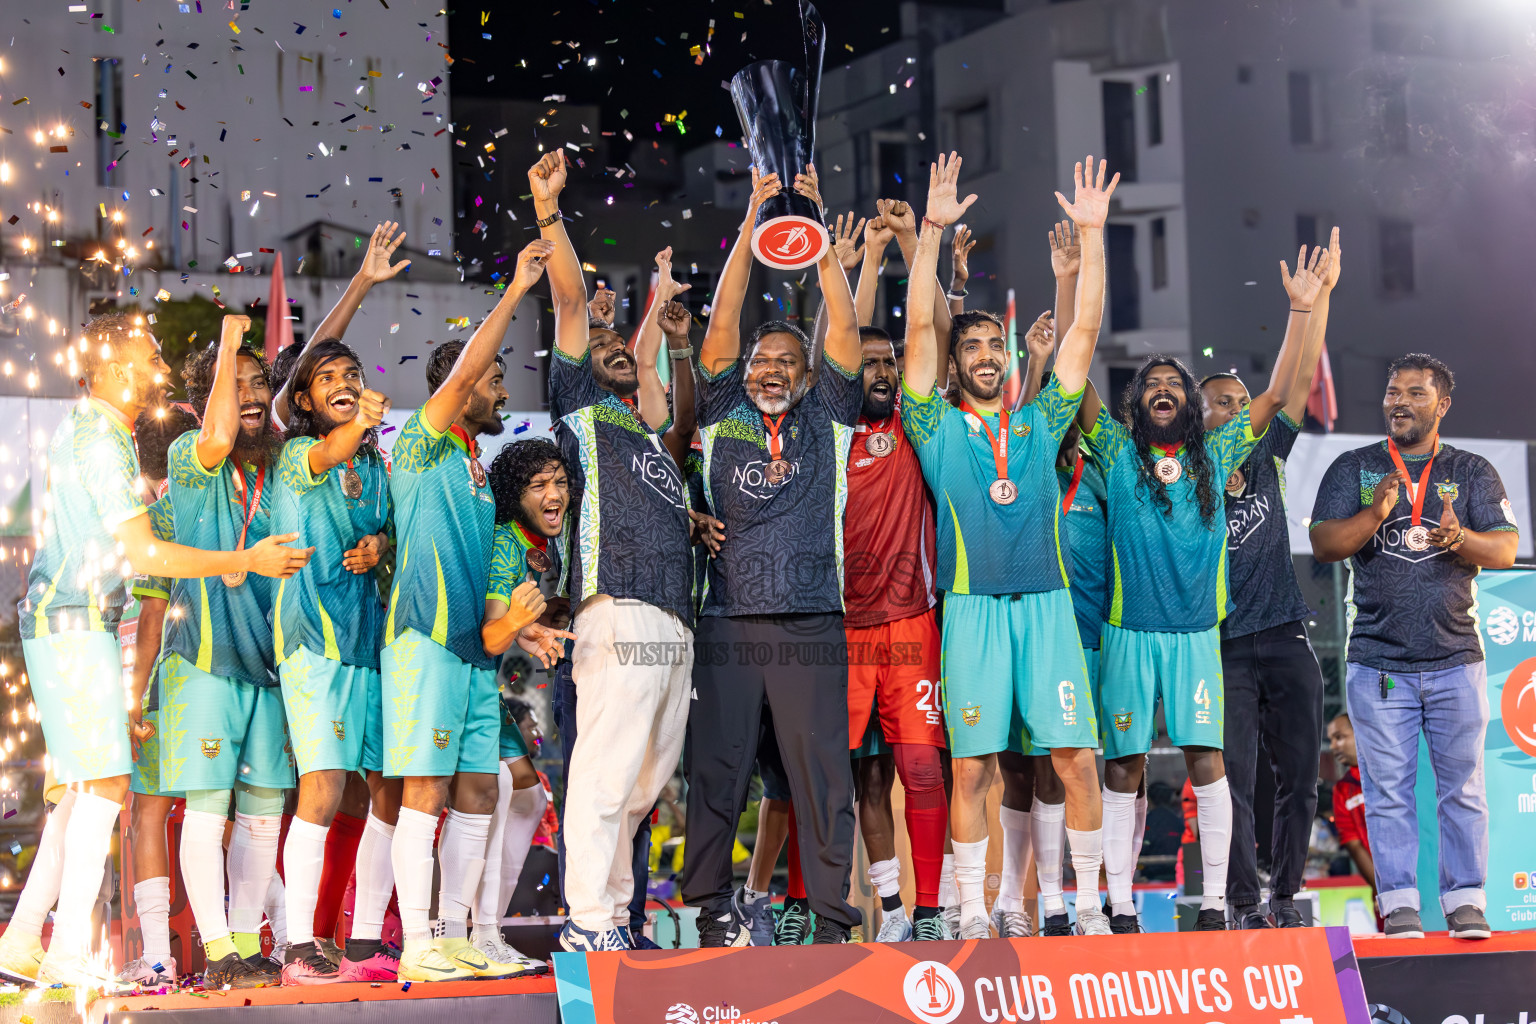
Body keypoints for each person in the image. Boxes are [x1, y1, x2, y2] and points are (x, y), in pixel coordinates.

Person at [0, 313, 310, 987]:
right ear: (112, 369)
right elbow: (143, 553)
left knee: (80, 794)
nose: (157, 370)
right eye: (145, 357)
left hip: (70, 621)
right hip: (73, 622)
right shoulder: (102, 439)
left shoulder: (97, 430)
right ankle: (67, 959)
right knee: (105, 788)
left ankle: (27, 943)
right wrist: (244, 559)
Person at [1080, 241, 1331, 933]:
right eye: (1151, 382)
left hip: (1196, 639)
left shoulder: (1217, 453)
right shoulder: (1116, 449)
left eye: (1175, 383)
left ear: (1189, 404)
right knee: (1124, 765)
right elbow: (1074, 383)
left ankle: (1220, 904)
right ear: (1137, 401)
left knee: (1209, 763)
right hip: (1128, 634)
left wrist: (1303, 309)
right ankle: (1123, 906)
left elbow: (1280, 392)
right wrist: (1076, 283)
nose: (1163, 387)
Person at [902, 153, 1116, 940]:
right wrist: (931, 230)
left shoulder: (1040, 423)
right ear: (955, 364)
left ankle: (1088, 909)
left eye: (996, 345)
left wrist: (1094, 237)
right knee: (971, 768)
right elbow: (918, 327)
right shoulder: (930, 424)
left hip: (1049, 611)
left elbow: (1084, 330)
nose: (989, 355)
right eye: (974, 347)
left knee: (1076, 762)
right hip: (972, 612)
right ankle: (969, 911)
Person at [681, 162, 864, 947]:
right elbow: (722, 326)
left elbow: (848, 335)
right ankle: (714, 910)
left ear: (809, 375)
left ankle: (829, 918)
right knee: (718, 774)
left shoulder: (830, 413)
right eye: (762, 360)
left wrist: (819, 237)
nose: (771, 369)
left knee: (822, 777)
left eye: (787, 360)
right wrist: (755, 224)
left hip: (811, 622)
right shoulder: (722, 412)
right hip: (727, 621)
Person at [530, 150, 697, 954]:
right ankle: (587, 922)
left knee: (640, 788)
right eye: (600, 342)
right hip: (618, 606)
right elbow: (566, 298)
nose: (613, 344)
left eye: (618, 339)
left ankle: (614, 922)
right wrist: (549, 212)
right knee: (602, 778)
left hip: (673, 620)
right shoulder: (580, 409)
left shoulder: (647, 437)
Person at [381, 238, 554, 982]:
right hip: (422, 644)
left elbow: (486, 582)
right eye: (493, 381)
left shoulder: (476, 470)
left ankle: (461, 936)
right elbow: (463, 373)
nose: (503, 393)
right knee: (424, 791)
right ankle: (420, 943)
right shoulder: (422, 443)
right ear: (464, 384)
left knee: (482, 790)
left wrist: (524, 624)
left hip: (473, 653)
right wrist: (515, 292)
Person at [1309, 353, 1517, 939]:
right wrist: (1376, 512)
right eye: (1393, 391)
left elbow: (1503, 550)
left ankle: (1466, 902)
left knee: (1463, 789)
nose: (1398, 401)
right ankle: (1399, 903)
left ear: (1442, 404)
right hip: (1379, 662)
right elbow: (1324, 544)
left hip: (1456, 660)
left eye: (1415, 393)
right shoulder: (1355, 467)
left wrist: (1460, 537)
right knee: (1387, 791)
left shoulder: (1472, 470)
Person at [156, 316, 319, 985]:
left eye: (259, 382)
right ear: (205, 401)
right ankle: (218, 948)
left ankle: (248, 946)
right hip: (204, 664)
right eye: (237, 383)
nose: (252, 393)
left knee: (261, 814)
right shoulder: (193, 457)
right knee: (209, 805)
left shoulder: (280, 469)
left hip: (269, 669)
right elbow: (222, 431)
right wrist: (227, 345)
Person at [1202, 227, 1342, 930]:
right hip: (1223, 648)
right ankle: (1242, 902)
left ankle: (1286, 896)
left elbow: (1296, 380)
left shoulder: (1266, 457)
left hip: (1286, 638)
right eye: (1217, 402)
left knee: (1301, 782)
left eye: (1236, 399)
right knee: (1229, 784)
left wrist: (1315, 306)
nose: (1231, 408)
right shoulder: (1182, 481)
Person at [268, 341, 395, 983]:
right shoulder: (297, 452)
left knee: (377, 788)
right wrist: (360, 422)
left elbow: (390, 528)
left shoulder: (375, 458)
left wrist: (377, 544)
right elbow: (329, 451)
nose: (344, 381)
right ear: (304, 400)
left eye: (353, 371)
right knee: (320, 785)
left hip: (366, 642)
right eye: (328, 378)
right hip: (313, 640)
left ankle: (360, 939)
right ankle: (297, 942)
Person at [827, 325, 949, 942]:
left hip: (910, 622)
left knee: (922, 771)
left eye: (888, 363)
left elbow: (939, 342)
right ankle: (895, 910)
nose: (880, 373)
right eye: (867, 362)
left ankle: (931, 913)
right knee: (863, 780)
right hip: (844, 629)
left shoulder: (915, 426)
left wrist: (920, 252)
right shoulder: (825, 434)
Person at [473, 439, 574, 970]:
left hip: (485, 681)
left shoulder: (546, 542)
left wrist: (533, 628)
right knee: (501, 794)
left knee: (529, 797)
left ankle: (485, 928)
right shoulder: (505, 543)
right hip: (462, 677)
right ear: (515, 495)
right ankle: (471, 930)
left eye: (559, 481)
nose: (553, 493)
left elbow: (516, 621)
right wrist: (521, 626)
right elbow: (492, 630)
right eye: (539, 485)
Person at [116, 404, 201, 986]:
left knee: (150, 813)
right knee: (225, 813)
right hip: (219, 672)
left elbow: (149, 613)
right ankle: (254, 937)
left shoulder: (154, 513)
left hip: (163, 674)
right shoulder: (215, 500)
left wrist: (135, 694)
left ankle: (155, 958)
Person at [1327, 714, 1374, 891]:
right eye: (1331, 740)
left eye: (1339, 737)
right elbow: (1353, 845)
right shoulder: (1342, 790)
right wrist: (1382, 890)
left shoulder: (1395, 771)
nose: (1332, 746)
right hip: (1385, 895)